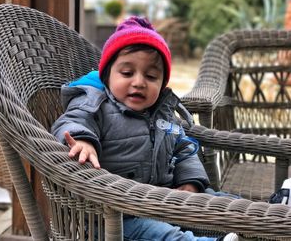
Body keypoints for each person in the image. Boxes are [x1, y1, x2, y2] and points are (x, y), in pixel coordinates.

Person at [51, 16, 240, 241]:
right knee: (162, 235)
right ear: (107, 75)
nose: (139, 82)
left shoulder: (162, 113)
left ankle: (261, 221)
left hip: (164, 199)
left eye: (151, 76)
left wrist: (190, 182)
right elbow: (73, 120)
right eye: (127, 73)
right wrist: (83, 141)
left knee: (217, 202)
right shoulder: (94, 102)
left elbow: (184, 148)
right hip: (114, 214)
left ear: (162, 84)